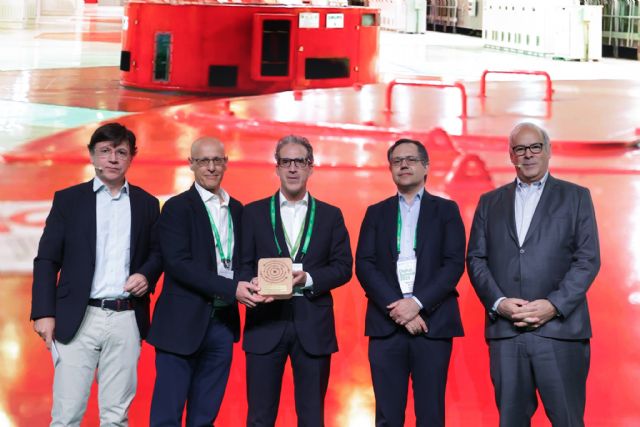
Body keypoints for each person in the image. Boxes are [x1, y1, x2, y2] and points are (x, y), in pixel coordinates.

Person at [467, 122, 600, 427]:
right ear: (511, 155)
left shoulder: (576, 196)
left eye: (535, 147)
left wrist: (553, 305)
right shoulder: (489, 202)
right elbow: (476, 259)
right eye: (520, 149)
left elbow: (587, 259)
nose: (528, 155)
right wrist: (498, 303)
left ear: (548, 150)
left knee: (567, 420)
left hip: (560, 332)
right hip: (507, 333)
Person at [31, 122, 162, 426]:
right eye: (105, 151)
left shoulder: (146, 203)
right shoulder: (68, 200)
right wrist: (43, 313)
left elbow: (157, 253)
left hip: (126, 317)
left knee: (116, 417)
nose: (113, 159)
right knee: (66, 416)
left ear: (132, 157)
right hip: (78, 317)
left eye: (121, 152)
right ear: (91, 155)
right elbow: (47, 259)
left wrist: (147, 275)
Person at [239, 135, 353, 427]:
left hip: (313, 326)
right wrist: (252, 282)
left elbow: (343, 267)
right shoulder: (252, 213)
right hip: (265, 324)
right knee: (260, 418)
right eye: (286, 161)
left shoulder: (330, 215)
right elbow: (242, 264)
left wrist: (309, 279)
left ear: (310, 167)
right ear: (276, 167)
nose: (292, 168)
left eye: (299, 162)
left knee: (312, 418)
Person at [147, 137, 259, 426]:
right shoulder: (176, 208)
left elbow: (245, 260)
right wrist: (232, 288)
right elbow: (178, 264)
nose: (211, 167)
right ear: (191, 164)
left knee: (205, 417)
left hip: (222, 324)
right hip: (181, 324)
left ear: (226, 163)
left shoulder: (238, 209)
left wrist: (247, 283)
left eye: (217, 160)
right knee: (166, 417)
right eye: (203, 161)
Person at [355, 138, 466, 427]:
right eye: (397, 161)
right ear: (390, 169)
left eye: (411, 160)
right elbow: (364, 265)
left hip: (432, 324)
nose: (403, 165)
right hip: (386, 325)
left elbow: (453, 264)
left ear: (426, 167)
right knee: (388, 416)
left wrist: (416, 304)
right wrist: (399, 309)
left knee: (430, 415)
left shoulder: (447, 210)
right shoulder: (375, 212)